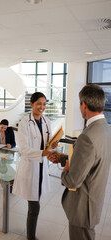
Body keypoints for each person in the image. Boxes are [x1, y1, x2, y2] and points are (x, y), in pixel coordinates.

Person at [48, 84, 111, 240]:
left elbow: (73, 181)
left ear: (84, 105)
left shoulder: (87, 136)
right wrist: (63, 158)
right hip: (94, 201)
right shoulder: (105, 129)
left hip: (83, 207)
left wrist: (64, 171)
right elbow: (91, 161)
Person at [13, 92, 58, 240]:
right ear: (31, 104)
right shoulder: (25, 123)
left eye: (44, 104)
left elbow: (46, 145)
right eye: (39, 103)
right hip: (30, 168)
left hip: (41, 167)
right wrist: (45, 152)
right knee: (34, 207)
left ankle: (30, 235)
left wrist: (53, 145)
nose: (42, 107)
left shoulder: (46, 121)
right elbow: (24, 150)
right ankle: (31, 237)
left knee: (35, 203)